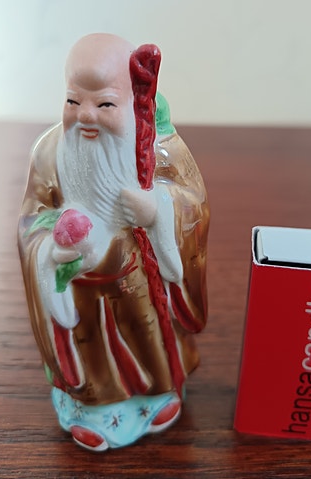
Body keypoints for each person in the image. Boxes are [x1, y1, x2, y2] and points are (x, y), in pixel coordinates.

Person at [18, 33, 209, 451]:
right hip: (80, 285)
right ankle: (90, 407)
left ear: (130, 99)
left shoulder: (159, 150)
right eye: (73, 101)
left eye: (104, 104)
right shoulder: (48, 153)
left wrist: (158, 210)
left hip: (138, 274)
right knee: (91, 348)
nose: (86, 115)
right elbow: (31, 219)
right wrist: (51, 248)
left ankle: (159, 391)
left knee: (147, 334)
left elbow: (192, 201)